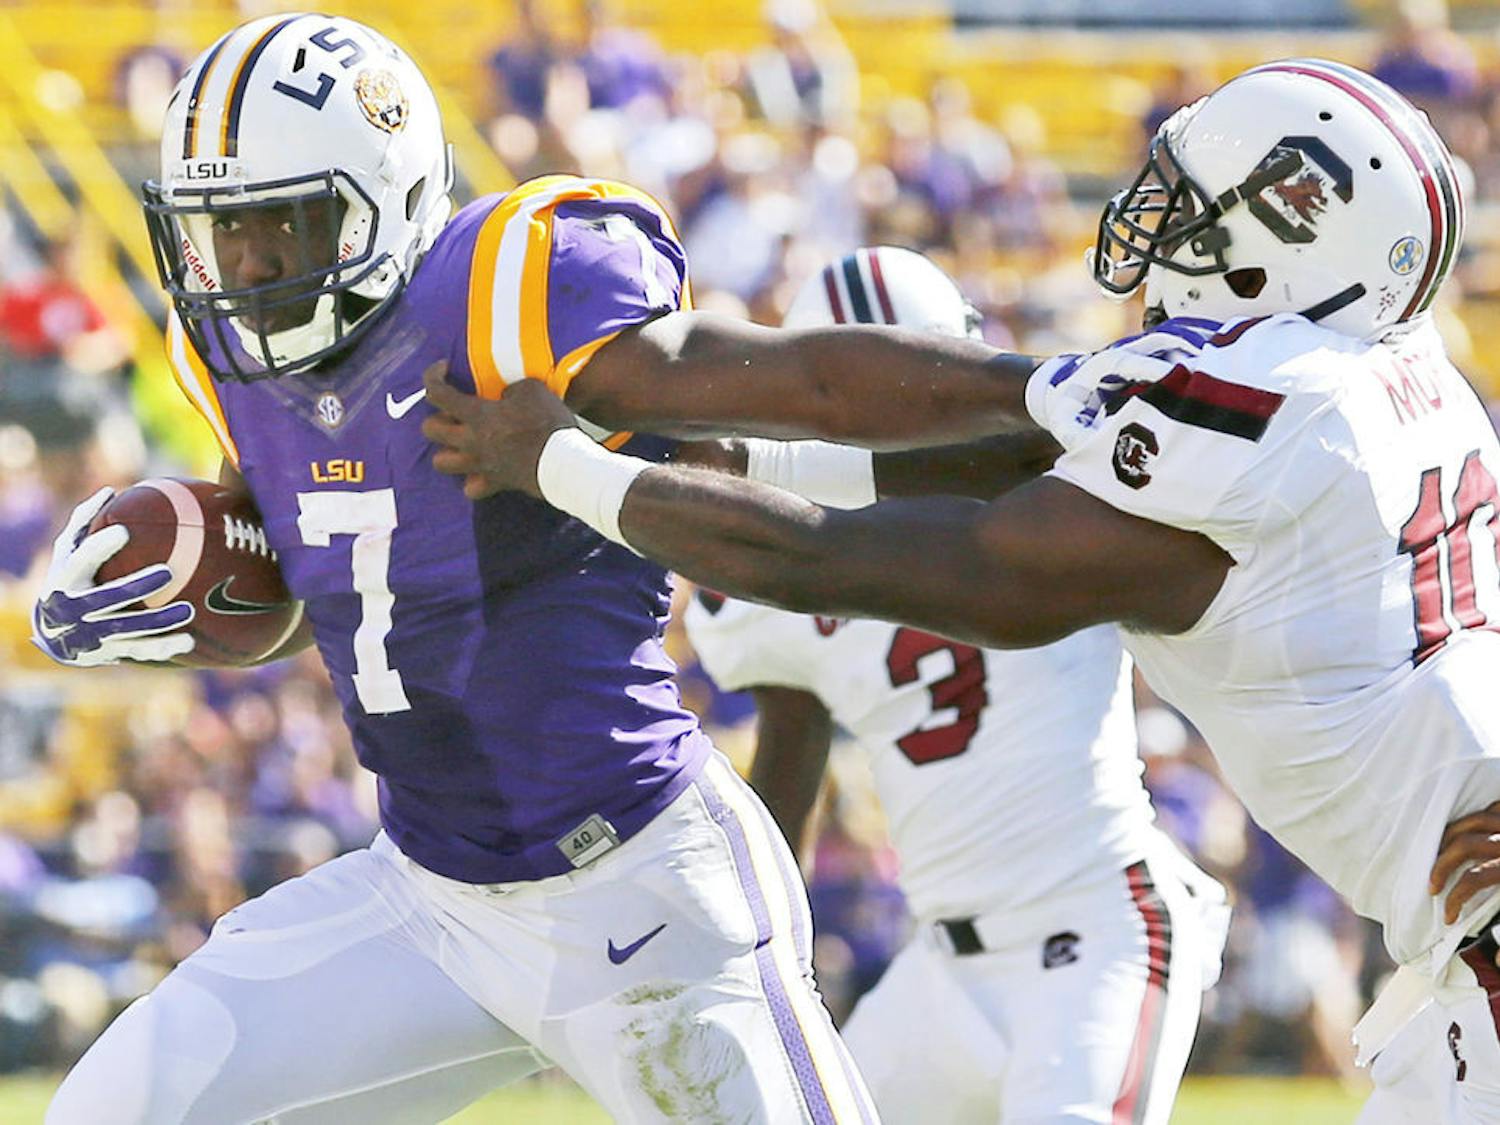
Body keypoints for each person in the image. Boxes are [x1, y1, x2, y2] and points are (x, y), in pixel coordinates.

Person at [422, 60, 1500, 1118]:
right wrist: (700, 438)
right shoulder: (1392, 382)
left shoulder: (1256, 427)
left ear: (1280, 244)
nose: (1153, 222)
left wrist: (565, 468)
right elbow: (970, 419)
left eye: (1190, 206)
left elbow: (863, 560)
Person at [35, 14, 895, 1122]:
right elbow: (329, 571)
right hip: (430, 899)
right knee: (120, 1106)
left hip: (640, 882)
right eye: (219, 231)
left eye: (279, 225)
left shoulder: (497, 295)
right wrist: (166, 595)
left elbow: (789, 393)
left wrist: (1021, 403)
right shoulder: (228, 356)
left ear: (380, 199)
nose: (242, 265)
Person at [683, 246, 1230, 1124]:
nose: (889, 412)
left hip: (1096, 928)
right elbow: (792, 752)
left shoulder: (1057, 487)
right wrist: (757, 957)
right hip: (939, 961)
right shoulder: (779, 558)